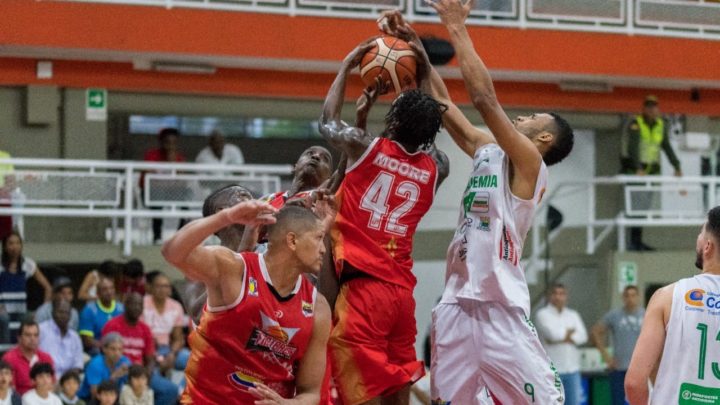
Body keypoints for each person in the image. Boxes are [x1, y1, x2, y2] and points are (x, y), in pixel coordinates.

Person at [379, 2, 573, 402]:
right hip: (454, 305)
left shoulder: (530, 165)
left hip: (499, 307)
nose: (523, 118)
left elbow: (484, 99)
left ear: (544, 140)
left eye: (535, 118)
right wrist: (415, 46)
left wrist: (456, 27)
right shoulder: (489, 150)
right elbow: (447, 110)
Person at [319, 36, 449, 404]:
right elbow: (432, 120)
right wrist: (422, 67)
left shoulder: (366, 146)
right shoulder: (438, 167)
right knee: (398, 388)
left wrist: (346, 65)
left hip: (364, 290)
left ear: (392, 119)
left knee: (357, 393)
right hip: (402, 297)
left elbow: (327, 121)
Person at [162, 203, 332, 404]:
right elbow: (172, 252)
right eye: (319, 238)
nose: (323, 249)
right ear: (292, 241)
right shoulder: (235, 269)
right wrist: (225, 217)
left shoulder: (318, 308)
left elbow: (311, 392)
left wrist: (289, 403)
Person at [625, 206, 720, 404]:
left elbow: (634, 382)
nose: (698, 237)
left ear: (707, 246)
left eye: (700, 233)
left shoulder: (667, 297)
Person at [621, 95, 682, 251]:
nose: (651, 110)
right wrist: (637, 168)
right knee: (635, 206)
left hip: (651, 171)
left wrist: (676, 165)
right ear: (644, 109)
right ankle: (633, 242)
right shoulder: (636, 124)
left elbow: (666, 147)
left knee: (644, 207)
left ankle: (638, 241)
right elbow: (632, 148)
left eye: (654, 107)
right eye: (648, 107)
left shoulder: (661, 125)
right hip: (637, 171)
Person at [101, 293, 177, 405]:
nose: (137, 307)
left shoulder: (145, 329)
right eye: (133, 304)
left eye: (140, 305)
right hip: (119, 372)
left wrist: (146, 374)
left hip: (140, 373)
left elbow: (150, 358)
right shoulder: (112, 325)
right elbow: (104, 352)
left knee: (171, 390)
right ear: (125, 305)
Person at [535, 284, 588, 405]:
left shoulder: (573, 315)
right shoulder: (542, 314)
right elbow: (553, 335)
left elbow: (583, 336)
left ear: (566, 297)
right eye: (555, 293)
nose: (558, 297)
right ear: (549, 296)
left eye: (561, 294)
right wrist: (570, 333)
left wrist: (562, 337)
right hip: (552, 371)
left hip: (572, 370)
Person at [591, 285, 644, 405]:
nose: (630, 298)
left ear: (638, 297)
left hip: (639, 369)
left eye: (633, 295)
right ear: (623, 297)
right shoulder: (615, 315)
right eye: (627, 296)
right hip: (619, 367)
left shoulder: (646, 314)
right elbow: (595, 332)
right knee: (619, 402)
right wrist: (606, 356)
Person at [0, 231, 52, 342]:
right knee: (3, 319)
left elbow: (48, 287)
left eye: (18, 243)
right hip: (3, 311)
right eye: (11, 243)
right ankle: (5, 352)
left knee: (36, 319)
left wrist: (43, 310)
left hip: (21, 310)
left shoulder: (27, 264)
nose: (15, 247)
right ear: (4, 246)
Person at [142, 128, 187, 244]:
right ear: (161, 142)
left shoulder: (179, 158)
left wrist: (172, 159)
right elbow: (149, 180)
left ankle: (180, 237)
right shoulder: (152, 155)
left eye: (174, 142)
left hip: (171, 192)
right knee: (157, 197)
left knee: (187, 198)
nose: (170, 145)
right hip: (150, 193)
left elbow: (181, 182)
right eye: (168, 142)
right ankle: (157, 236)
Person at [140, 272, 188, 375]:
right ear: (151, 288)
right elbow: (138, 332)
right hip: (147, 350)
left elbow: (178, 338)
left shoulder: (176, 307)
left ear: (170, 289)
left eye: (166, 286)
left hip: (166, 349)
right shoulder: (142, 303)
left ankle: (182, 390)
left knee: (195, 362)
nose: (162, 289)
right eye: (158, 286)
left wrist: (172, 354)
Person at [1, 320, 54, 395]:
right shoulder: (9, 358)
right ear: (19, 338)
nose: (32, 338)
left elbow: (52, 385)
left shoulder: (46, 358)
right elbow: (10, 390)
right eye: (28, 335)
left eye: (35, 335)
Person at [38, 299, 83, 379]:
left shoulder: (75, 337)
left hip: (68, 381)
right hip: (46, 378)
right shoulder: (41, 330)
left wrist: (65, 381)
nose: (64, 316)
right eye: (61, 312)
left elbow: (78, 366)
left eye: (67, 313)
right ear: (53, 313)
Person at [78, 333, 131, 401]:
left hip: (114, 398)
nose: (117, 353)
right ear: (104, 349)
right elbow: (95, 395)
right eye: (113, 349)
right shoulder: (95, 364)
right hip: (89, 399)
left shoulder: (125, 361)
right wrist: (113, 377)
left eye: (120, 349)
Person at [79, 276, 124, 354]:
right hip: (98, 349)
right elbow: (87, 340)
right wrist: (108, 348)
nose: (109, 292)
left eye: (111, 288)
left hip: (119, 348)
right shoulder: (89, 310)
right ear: (98, 293)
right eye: (105, 289)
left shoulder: (122, 309)